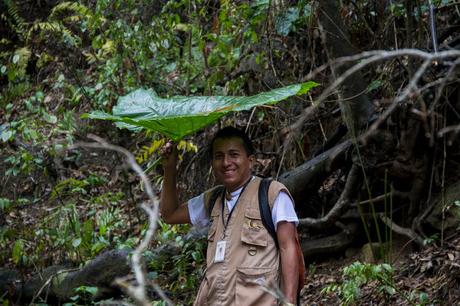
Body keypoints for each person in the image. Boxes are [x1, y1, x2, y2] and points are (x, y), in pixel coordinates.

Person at [160, 126, 300, 306]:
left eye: (234, 155)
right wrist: (169, 169)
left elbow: (289, 247)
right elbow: (170, 215)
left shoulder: (272, 194)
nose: (226, 162)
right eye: (219, 156)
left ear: (250, 160)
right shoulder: (213, 199)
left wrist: (290, 302)